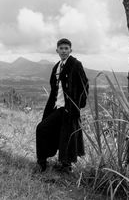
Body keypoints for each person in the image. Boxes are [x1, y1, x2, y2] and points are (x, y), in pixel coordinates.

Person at [36, 38, 89, 173]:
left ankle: (64, 166)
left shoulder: (75, 64)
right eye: (61, 48)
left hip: (69, 109)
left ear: (70, 50)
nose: (64, 51)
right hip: (57, 107)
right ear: (57, 50)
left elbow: (84, 85)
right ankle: (42, 161)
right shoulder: (57, 66)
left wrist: (77, 106)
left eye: (66, 48)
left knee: (66, 136)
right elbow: (55, 88)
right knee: (45, 129)